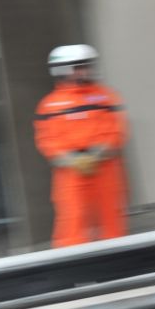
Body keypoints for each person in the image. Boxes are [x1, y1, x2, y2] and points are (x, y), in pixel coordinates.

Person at [34, 44, 128, 247]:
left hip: (105, 166)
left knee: (111, 213)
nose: (85, 71)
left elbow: (116, 130)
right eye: (79, 66)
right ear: (62, 69)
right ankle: (71, 262)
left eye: (86, 65)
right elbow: (46, 140)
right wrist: (70, 160)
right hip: (70, 171)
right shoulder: (50, 105)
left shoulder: (105, 97)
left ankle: (117, 257)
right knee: (72, 217)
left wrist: (99, 154)